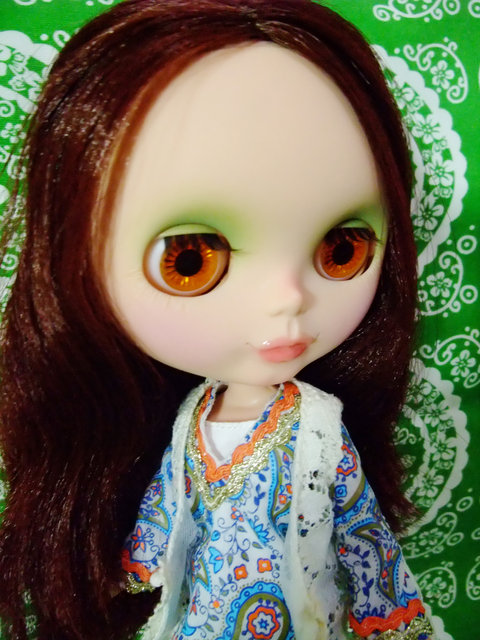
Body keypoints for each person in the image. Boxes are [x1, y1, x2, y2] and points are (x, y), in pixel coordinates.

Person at [0, 1, 432, 639]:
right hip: (203, 613)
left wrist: (386, 611)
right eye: (190, 260)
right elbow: (169, 498)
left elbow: (358, 522)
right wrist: (138, 563)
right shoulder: (192, 418)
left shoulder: (317, 431)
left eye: (342, 249)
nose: (287, 299)